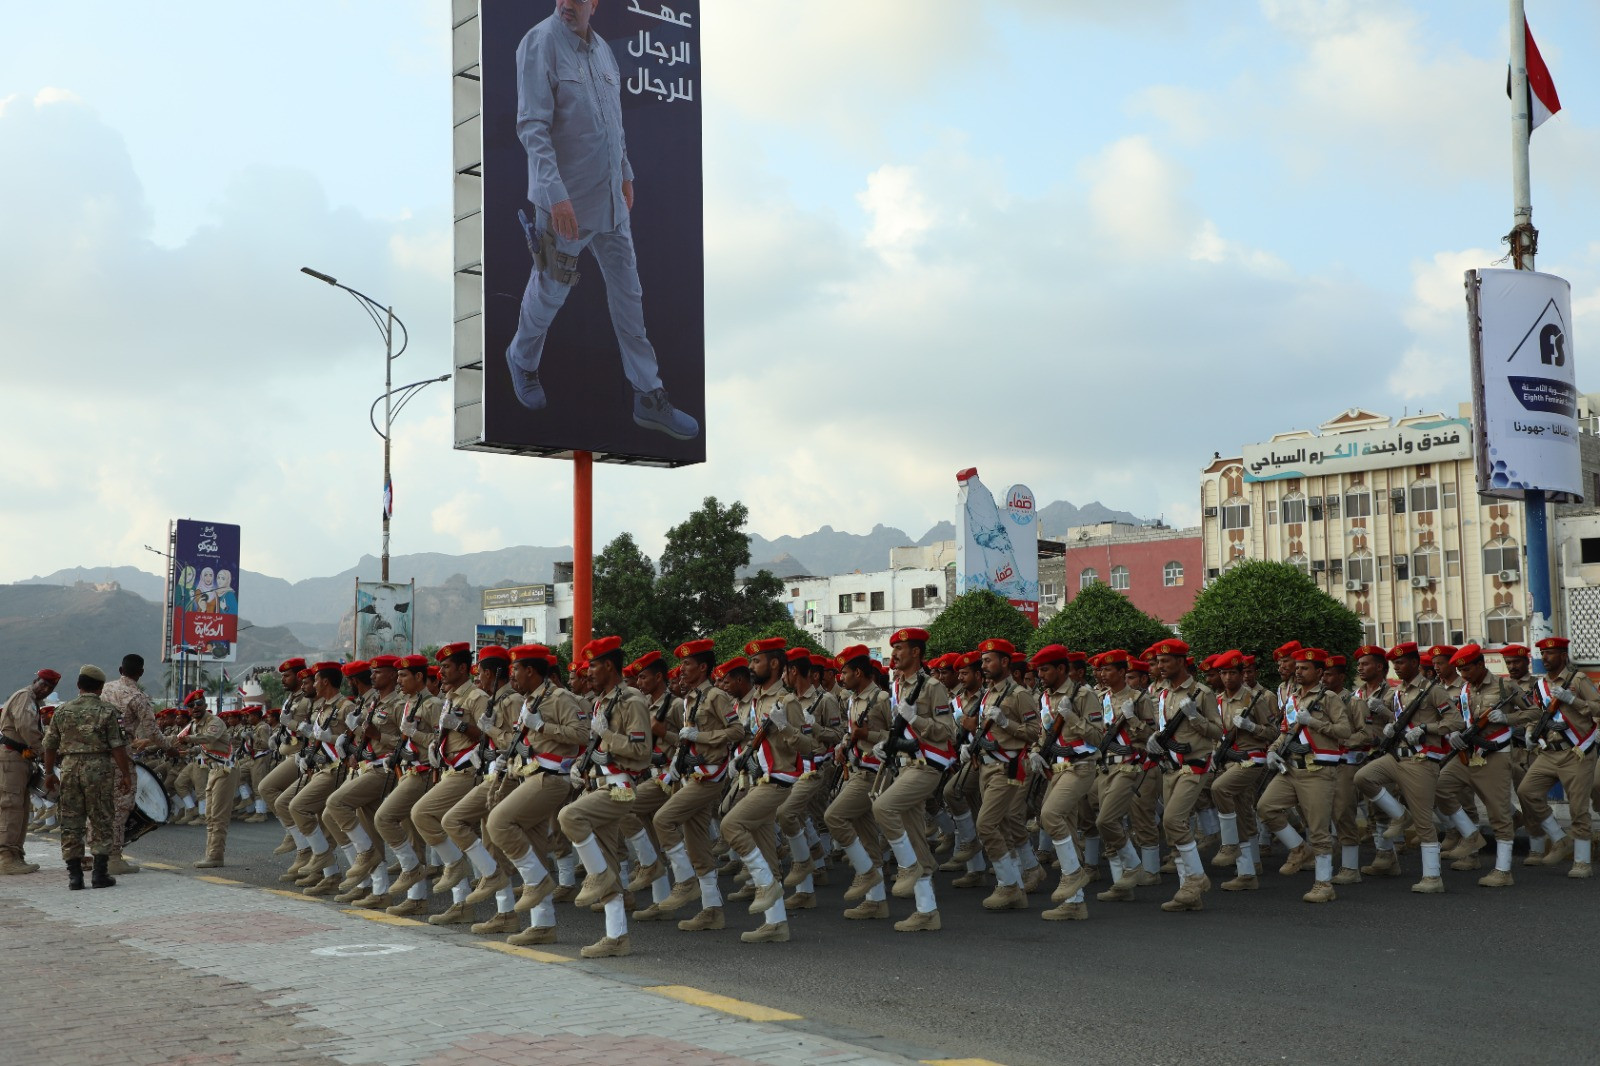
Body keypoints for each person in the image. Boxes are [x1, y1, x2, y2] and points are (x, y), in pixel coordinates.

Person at [506, 0, 699, 440]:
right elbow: (531, 127)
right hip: (566, 206)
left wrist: (626, 174)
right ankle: (522, 358)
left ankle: (649, 396)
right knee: (550, 293)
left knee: (629, 296)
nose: (566, 4)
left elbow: (613, 123)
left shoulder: (604, 51)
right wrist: (555, 197)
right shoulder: (539, 43)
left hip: (611, 203)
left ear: (594, 3)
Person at [555, 635, 653, 958]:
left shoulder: (632, 700)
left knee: (570, 816)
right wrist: (581, 771)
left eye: (593, 665)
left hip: (622, 787)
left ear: (609, 665)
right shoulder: (602, 702)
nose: (588, 673)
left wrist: (606, 735)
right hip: (600, 783)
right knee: (609, 857)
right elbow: (600, 749)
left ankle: (597, 877)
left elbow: (641, 751)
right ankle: (617, 936)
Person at [484, 644, 587, 945]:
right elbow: (528, 741)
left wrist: (544, 725)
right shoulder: (531, 700)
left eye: (516, 668)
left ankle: (538, 882)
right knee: (535, 845)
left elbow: (582, 735)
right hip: (529, 774)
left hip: (551, 778)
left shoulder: (560, 697)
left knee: (498, 823)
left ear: (530, 670)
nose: (512, 674)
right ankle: (543, 924)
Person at [868, 628, 955, 933]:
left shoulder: (932, 687)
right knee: (916, 837)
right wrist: (886, 746)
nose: (895, 654)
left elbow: (948, 732)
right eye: (893, 648)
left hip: (926, 766)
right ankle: (927, 911)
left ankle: (908, 868)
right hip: (905, 765)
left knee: (883, 808)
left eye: (901, 648)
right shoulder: (899, 686)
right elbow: (902, 731)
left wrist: (915, 718)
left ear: (916, 652)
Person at [652, 639, 743, 933]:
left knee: (663, 820)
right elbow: (688, 737)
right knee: (697, 845)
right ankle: (712, 910)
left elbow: (737, 730)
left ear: (703, 667)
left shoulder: (717, 696)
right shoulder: (691, 698)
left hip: (710, 775)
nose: (682, 669)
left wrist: (700, 737)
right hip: (692, 773)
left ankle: (685, 881)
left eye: (688, 664)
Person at [1434, 645, 1534, 887]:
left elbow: (1536, 712)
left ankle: (1503, 870)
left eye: (1467, 669)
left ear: (1481, 664)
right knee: (1439, 787)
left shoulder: (1505, 687)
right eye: (1460, 670)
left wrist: (1508, 718)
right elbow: (1457, 719)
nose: (1463, 674)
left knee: (1498, 813)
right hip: (1467, 753)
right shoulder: (1464, 690)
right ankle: (1471, 835)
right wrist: (1452, 735)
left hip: (1495, 755)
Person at [1257, 647, 1351, 904]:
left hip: (1318, 771)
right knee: (1266, 808)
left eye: (1304, 668)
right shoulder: (1293, 698)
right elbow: (1285, 731)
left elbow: (1344, 730)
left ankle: (1324, 884)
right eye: (1296, 667)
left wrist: (1314, 722)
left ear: (1319, 672)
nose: (1298, 671)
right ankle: (1299, 849)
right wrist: (1273, 751)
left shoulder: (1329, 698)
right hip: (1291, 769)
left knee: (1319, 830)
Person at [960, 638, 1041, 911]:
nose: (983, 665)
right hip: (986, 765)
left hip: (1008, 767)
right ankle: (1017, 883)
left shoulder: (1019, 694)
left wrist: (1008, 723)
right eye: (982, 661)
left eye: (988, 660)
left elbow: (1033, 732)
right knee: (1003, 825)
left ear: (1005, 662)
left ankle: (1008, 885)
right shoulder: (988, 694)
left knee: (986, 824)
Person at [1146, 639, 1222, 912]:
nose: (1160, 666)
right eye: (1158, 661)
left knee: (1173, 819)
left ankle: (1197, 879)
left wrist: (1196, 718)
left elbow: (1217, 731)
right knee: (1173, 827)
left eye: (1166, 661)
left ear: (1180, 662)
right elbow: (1162, 728)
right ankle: (1187, 893)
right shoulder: (1162, 693)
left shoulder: (1202, 694)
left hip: (1195, 765)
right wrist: (1154, 738)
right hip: (1170, 766)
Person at [41, 666, 133, 890]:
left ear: (78, 686)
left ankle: (74, 876)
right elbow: (117, 746)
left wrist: (50, 772)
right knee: (101, 819)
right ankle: (100, 875)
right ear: (100, 688)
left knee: (71, 820)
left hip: (70, 767)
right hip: (99, 767)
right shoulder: (108, 711)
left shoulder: (62, 711)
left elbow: (49, 745)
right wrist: (126, 774)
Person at [1516, 636, 1597, 878]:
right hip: (1549, 752)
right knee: (1526, 792)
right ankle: (1559, 838)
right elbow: (1536, 715)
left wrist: (1574, 701)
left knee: (1578, 807)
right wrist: (1530, 732)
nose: (1546, 658)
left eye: (1551, 654)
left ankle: (1582, 861)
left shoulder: (1579, 680)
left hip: (1576, 752)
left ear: (1563, 656)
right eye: (1543, 654)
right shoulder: (1540, 686)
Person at [1032, 644, 1100, 921]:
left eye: (1045, 669)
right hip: (1058, 768)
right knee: (1063, 825)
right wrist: (1036, 752)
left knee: (1051, 815)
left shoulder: (1084, 695)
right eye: (1038, 670)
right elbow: (1044, 734)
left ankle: (1074, 874)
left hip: (1081, 767)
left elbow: (1097, 737)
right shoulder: (1045, 698)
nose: (1040, 674)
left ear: (1061, 669)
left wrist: (1072, 717)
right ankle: (1075, 903)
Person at [96, 654, 165, 874]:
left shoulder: (103, 689)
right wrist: (169, 746)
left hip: (95, 754)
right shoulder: (137, 697)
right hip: (120, 755)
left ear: (120, 669)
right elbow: (153, 732)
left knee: (98, 802)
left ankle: (96, 853)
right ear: (141, 672)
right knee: (121, 803)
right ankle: (113, 857)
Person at [1, 669, 59, 874]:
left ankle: (15, 853)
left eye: (49, 687)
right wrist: (45, 752)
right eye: (43, 684)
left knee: (21, 808)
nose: (44, 689)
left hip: (21, 758)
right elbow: (27, 728)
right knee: (11, 806)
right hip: (12, 757)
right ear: (35, 681)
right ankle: (6, 857)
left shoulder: (33, 701)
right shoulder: (25, 697)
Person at [174, 690, 236, 868]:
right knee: (209, 814)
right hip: (213, 770)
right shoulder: (194, 725)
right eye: (191, 706)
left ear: (205, 705)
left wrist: (188, 740)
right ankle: (211, 854)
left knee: (217, 815)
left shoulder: (213, 722)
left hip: (226, 769)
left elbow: (209, 737)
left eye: (198, 703)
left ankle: (215, 856)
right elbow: (177, 739)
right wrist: (149, 742)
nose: (195, 708)